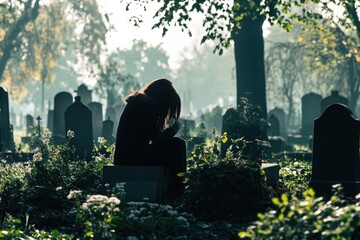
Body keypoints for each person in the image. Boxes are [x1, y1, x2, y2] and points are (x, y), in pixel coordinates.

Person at [114, 78, 186, 197]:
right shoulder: (145, 104)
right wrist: (172, 130)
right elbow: (158, 140)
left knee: (173, 147)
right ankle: (179, 191)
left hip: (126, 157)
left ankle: (174, 189)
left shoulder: (140, 101)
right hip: (131, 159)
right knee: (178, 145)